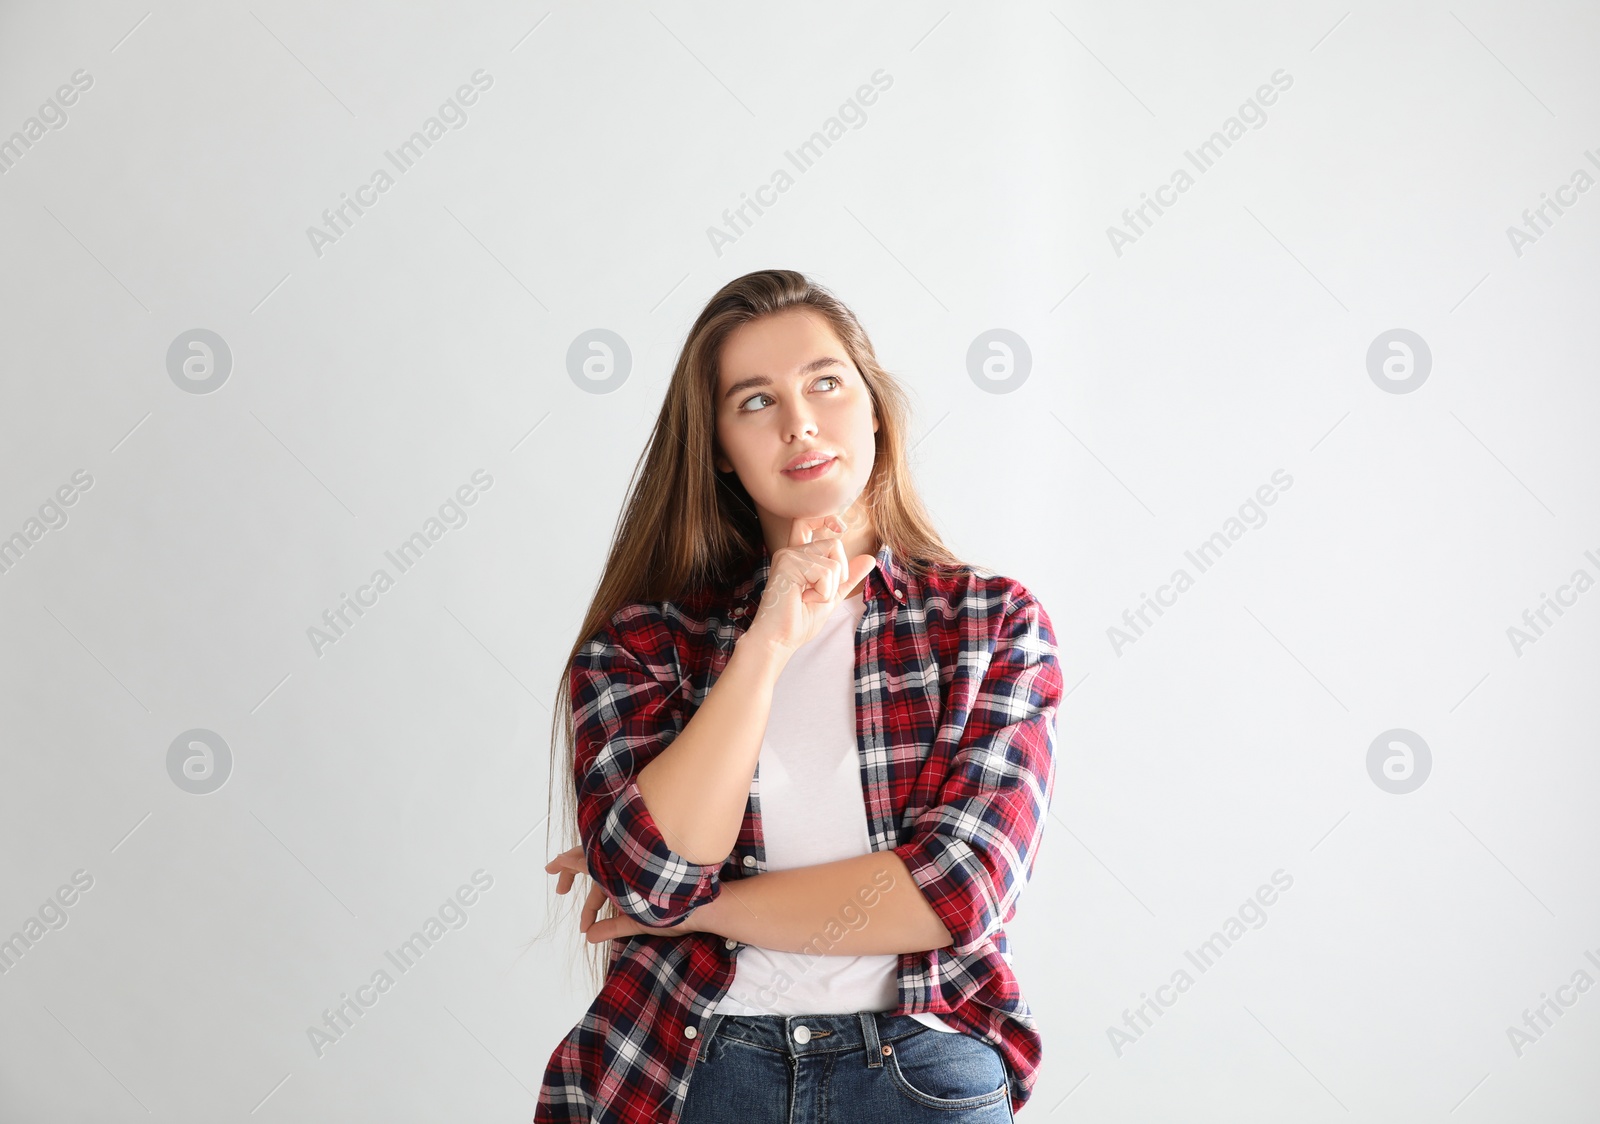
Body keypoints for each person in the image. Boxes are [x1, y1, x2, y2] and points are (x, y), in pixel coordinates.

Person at [531, 269, 1062, 1123]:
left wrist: (693, 915)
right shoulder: (643, 645)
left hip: (916, 1071)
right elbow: (652, 874)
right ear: (718, 449)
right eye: (754, 401)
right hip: (693, 1070)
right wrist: (767, 644)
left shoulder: (989, 625)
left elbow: (957, 893)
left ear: (876, 410)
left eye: (825, 383)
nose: (800, 421)